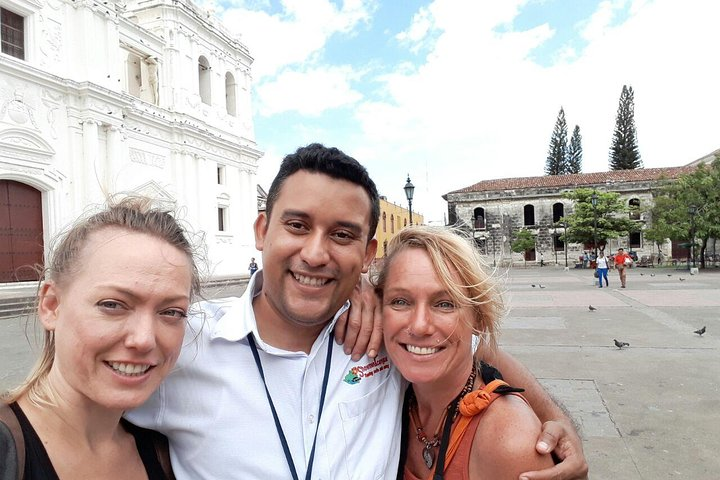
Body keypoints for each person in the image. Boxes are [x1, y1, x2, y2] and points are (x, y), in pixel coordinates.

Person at [128, 144, 588, 479]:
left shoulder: (389, 338)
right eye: (297, 225)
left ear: (367, 253)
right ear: (262, 229)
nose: (314, 253)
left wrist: (558, 425)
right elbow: (76, 412)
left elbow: (469, 346)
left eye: (342, 235)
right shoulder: (185, 343)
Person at [0, 196, 203, 480]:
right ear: (51, 306)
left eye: (171, 311)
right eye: (112, 305)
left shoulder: (165, 453)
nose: (144, 340)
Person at [376, 226, 554, 479]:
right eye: (400, 301)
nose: (419, 326)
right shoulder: (387, 393)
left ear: (479, 319)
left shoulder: (508, 439)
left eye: (445, 304)